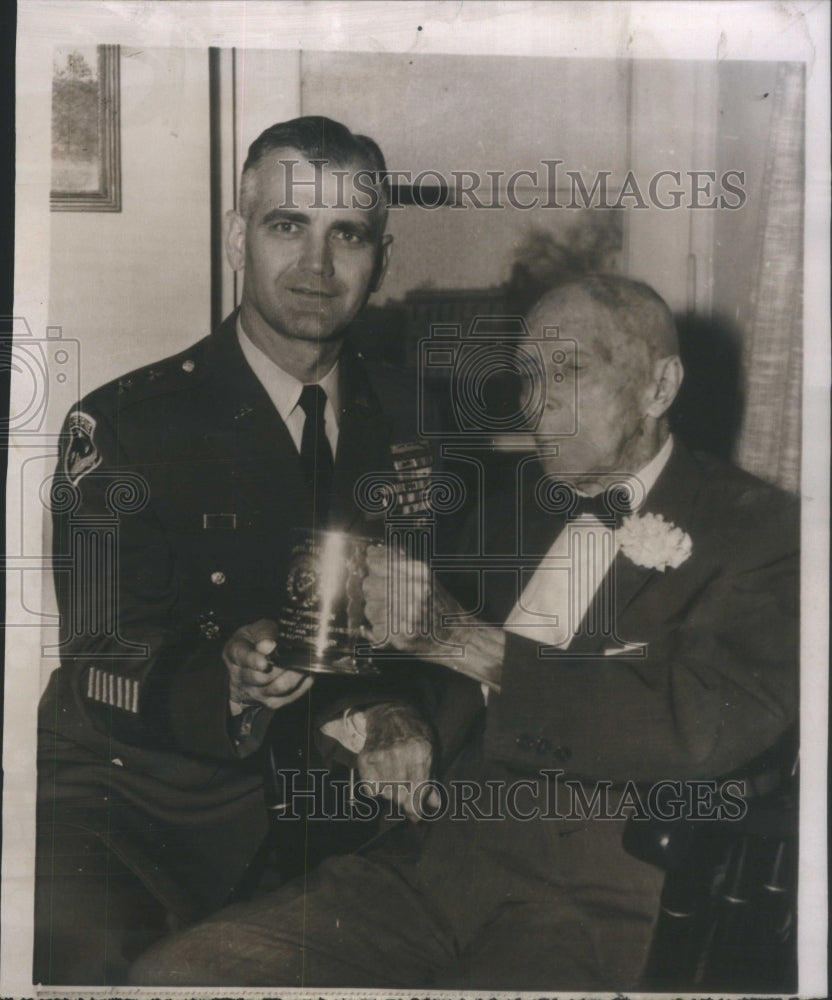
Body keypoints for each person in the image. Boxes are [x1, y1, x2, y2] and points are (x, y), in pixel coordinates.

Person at [130, 275, 799, 991]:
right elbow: (411, 667)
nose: (536, 404)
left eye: (569, 371)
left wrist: (463, 639)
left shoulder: (765, 532)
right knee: (175, 974)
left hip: (591, 901)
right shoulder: (508, 509)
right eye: (528, 376)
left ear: (659, 387)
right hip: (429, 867)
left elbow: (706, 726)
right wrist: (390, 714)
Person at [35, 116, 440, 984]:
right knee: (84, 954)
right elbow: (102, 660)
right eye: (287, 225)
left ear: (384, 257)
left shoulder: (419, 424)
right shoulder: (125, 428)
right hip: (144, 805)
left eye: (349, 235)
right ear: (236, 236)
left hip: (333, 804)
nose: (317, 266)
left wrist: (402, 710)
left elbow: (444, 623)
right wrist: (222, 681)